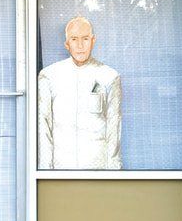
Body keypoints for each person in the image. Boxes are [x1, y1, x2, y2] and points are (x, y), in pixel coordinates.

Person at [37, 16, 122, 169]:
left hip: (98, 170)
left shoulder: (109, 76)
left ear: (93, 40)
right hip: (60, 168)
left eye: (85, 39)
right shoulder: (49, 76)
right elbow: (44, 128)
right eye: (74, 39)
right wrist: (45, 172)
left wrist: (113, 174)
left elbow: (114, 129)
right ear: (67, 44)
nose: (80, 45)